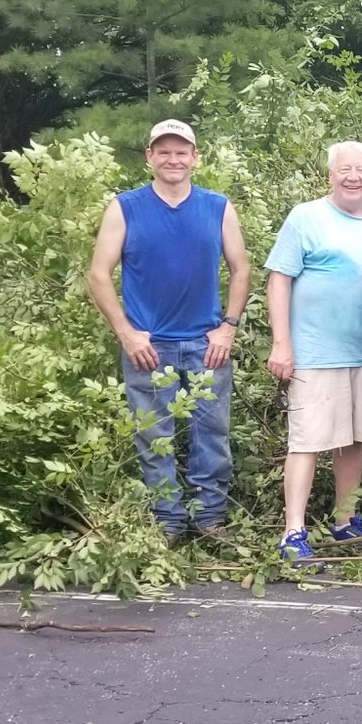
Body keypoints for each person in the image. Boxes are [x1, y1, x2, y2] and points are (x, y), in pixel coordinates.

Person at [85, 119, 252, 543]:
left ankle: (210, 519)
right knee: (154, 437)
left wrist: (228, 328)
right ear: (150, 158)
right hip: (149, 347)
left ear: (195, 158)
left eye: (182, 151)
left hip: (205, 344)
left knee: (210, 435)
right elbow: (99, 275)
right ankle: (168, 525)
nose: (173, 159)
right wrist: (126, 333)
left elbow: (241, 269)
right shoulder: (125, 208)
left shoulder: (218, 207)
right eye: (164, 151)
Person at [263, 141, 362, 561]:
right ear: (330, 174)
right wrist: (282, 343)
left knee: (352, 441)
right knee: (307, 442)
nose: (353, 176)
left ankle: (344, 521)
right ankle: (292, 532)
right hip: (314, 354)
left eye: (361, 170)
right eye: (344, 169)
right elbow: (279, 280)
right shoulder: (306, 217)